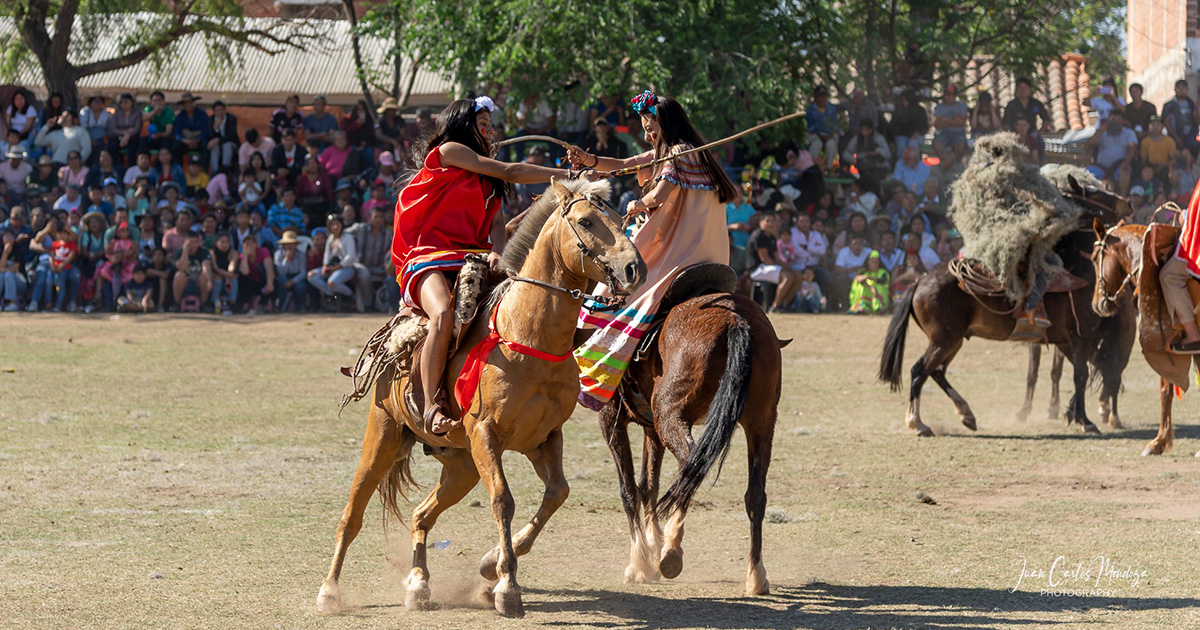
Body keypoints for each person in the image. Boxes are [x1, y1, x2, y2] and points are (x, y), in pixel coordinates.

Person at [396, 96, 577, 433]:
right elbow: (513, 170)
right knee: (444, 315)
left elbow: (496, 222)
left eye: (491, 125)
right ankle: (430, 405)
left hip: (471, 257)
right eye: (484, 125)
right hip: (428, 256)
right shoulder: (449, 151)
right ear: (464, 126)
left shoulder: (486, 178)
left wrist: (497, 250)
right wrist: (570, 173)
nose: (491, 131)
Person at [567, 91, 737, 412]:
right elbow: (623, 164)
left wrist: (636, 204)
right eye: (645, 129)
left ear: (667, 124)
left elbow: (658, 196)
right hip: (706, 247)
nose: (647, 135)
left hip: (683, 246)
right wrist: (588, 160)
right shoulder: (675, 151)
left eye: (651, 128)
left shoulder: (678, 152)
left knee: (620, 286)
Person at [746, 210, 800, 311]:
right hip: (757, 269)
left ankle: (785, 305)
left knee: (798, 276)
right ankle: (775, 307)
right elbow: (765, 259)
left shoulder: (772, 237)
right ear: (761, 223)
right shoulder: (759, 236)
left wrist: (787, 267)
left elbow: (777, 258)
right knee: (787, 277)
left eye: (773, 221)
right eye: (768, 221)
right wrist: (784, 270)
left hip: (769, 267)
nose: (771, 224)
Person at [349, 205, 394, 312]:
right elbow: (342, 232)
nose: (378, 220)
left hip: (380, 268)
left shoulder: (389, 234)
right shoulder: (359, 228)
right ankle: (368, 305)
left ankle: (384, 306)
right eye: (375, 217)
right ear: (370, 218)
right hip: (360, 265)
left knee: (389, 276)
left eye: (381, 217)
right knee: (364, 274)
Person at [1089, 110, 1138, 193]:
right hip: (1101, 166)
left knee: (1125, 171)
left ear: (1123, 121)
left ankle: (1122, 198)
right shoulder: (1102, 133)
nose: (1115, 122)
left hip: (1119, 165)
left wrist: (1126, 162)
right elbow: (1090, 144)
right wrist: (1100, 131)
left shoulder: (1129, 133)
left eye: (1118, 120)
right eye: (1112, 120)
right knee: (1088, 173)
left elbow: (1132, 147)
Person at [172, 231, 213, 307]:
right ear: (185, 242)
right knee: (179, 275)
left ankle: (204, 304)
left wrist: (209, 280)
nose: (193, 245)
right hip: (187, 279)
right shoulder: (178, 252)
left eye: (196, 242)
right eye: (191, 242)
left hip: (199, 280)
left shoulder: (203, 251)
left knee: (205, 275)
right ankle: (176, 304)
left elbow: (206, 265)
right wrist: (185, 251)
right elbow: (182, 268)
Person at [1162, 79, 1200, 158]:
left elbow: (1196, 119)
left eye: (1184, 88)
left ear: (1187, 89)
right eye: (1179, 88)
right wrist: (1176, 137)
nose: (1182, 91)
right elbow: (1166, 123)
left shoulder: (1191, 103)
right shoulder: (1170, 105)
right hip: (1175, 135)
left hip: (1190, 135)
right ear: (1175, 90)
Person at [805, 86, 840, 172]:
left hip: (829, 134)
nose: (822, 98)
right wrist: (820, 135)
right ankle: (813, 166)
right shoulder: (810, 110)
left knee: (831, 144)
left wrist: (830, 135)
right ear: (816, 97)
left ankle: (828, 168)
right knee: (817, 144)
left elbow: (835, 125)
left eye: (824, 96)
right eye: (820, 96)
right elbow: (811, 127)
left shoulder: (832, 108)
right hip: (816, 134)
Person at [932, 84, 969, 161]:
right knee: (937, 144)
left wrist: (945, 120)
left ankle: (955, 162)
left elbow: (961, 122)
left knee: (961, 145)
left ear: (955, 95)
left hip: (958, 133)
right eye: (946, 95)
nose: (946, 97)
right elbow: (937, 125)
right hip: (943, 133)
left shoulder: (961, 106)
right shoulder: (939, 107)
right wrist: (954, 121)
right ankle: (946, 161)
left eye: (949, 95)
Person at [273, 231, 307, 312]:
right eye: (287, 244)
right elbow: (280, 272)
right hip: (284, 276)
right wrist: (286, 260)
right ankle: (281, 307)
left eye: (292, 244)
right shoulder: (278, 255)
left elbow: (303, 273)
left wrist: (293, 281)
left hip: (296, 277)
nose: (289, 246)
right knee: (282, 280)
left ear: (295, 245)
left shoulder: (301, 255)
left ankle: (301, 307)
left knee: (301, 286)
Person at [49, 224, 80, 312]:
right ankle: (50, 303)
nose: (62, 235)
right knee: (56, 286)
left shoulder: (71, 244)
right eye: (60, 233)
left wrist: (62, 265)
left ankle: (59, 305)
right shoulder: (55, 244)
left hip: (65, 268)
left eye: (64, 233)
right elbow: (51, 255)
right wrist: (52, 265)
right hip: (55, 269)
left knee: (61, 287)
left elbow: (72, 255)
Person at [891, 90, 928, 158]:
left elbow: (924, 127)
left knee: (912, 144)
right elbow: (893, 126)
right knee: (901, 145)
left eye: (905, 100)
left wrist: (917, 132)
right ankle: (902, 165)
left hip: (917, 135)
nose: (903, 102)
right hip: (902, 135)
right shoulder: (899, 110)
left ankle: (914, 165)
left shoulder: (920, 110)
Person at [1140, 116, 1178, 182]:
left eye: (1158, 124)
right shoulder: (1145, 142)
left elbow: (1173, 159)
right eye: (1153, 124)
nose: (1155, 127)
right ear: (1149, 127)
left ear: (1162, 126)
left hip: (1165, 166)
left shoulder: (1169, 141)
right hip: (1151, 166)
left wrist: (1164, 165)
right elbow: (1143, 160)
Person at [110, 94, 142, 168]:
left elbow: (137, 129)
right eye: (122, 102)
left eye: (126, 102)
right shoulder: (117, 113)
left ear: (132, 102)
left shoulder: (137, 113)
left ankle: (131, 168)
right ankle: (117, 167)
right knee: (112, 147)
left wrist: (128, 136)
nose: (124, 104)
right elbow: (113, 129)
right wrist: (125, 133)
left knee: (131, 150)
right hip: (118, 137)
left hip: (133, 138)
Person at [207, 101, 240, 174]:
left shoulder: (232, 119)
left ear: (225, 110)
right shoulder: (210, 120)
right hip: (217, 144)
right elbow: (210, 136)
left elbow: (231, 135)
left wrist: (218, 139)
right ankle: (215, 171)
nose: (220, 112)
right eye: (217, 110)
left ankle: (225, 169)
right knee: (214, 146)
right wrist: (215, 128)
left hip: (231, 143)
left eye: (221, 110)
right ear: (214, 112)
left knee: (227, 145)